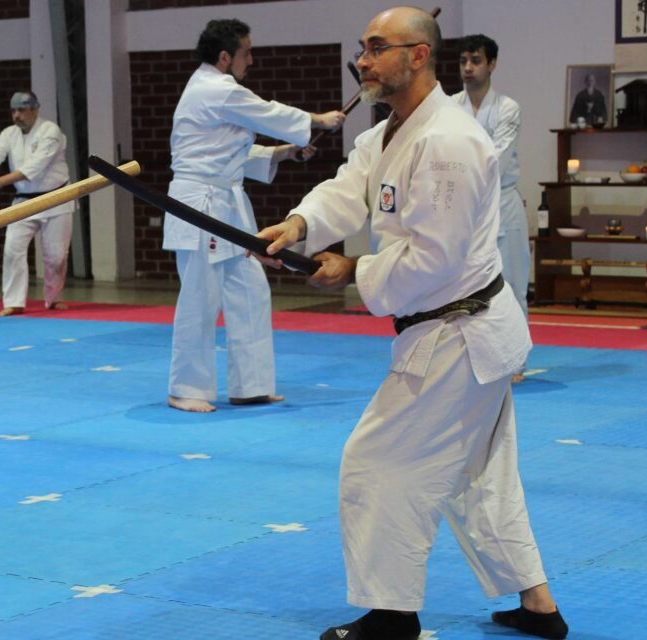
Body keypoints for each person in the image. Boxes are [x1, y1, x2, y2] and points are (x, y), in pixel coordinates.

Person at [256, 8, 567, 640]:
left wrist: (353, 270)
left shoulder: (449, 141)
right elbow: (349, 187)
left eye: (376, 49)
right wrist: (300, 225)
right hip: (462, 331)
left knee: (373, 462)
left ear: (419, 55)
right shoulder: (389, 132)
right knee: (480, 477)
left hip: (459, 334)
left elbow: (436, 257)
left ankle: (392, 617)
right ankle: (540, 607)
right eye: (361, 50)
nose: (363, 62)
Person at [164, 18, 344, 413]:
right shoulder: (215, 88)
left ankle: (250, 385)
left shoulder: (217, 92)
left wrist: (283, 152)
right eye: (246, 51)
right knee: (200, 297)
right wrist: (317, 120)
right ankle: (185, 388)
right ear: (225, 57)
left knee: (249, 290)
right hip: (200, 206)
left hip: (225, 203)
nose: (252, 59)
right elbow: (268, 113)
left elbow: (227, 154)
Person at [452, 34, 530, 383]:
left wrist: (459, 169)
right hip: (466, 205)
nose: (468, 68)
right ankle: (476, 356)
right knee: (467, 284)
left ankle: (515, 360)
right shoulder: (450, 107)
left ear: (492, 64)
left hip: (502, 201)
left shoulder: (508, 108)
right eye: (464, 61)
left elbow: (495, 155)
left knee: (512, 282)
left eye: (476, 61)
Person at [0, 91, 73, 316]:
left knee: (56, 256)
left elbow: (35, 168)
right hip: (23, 202)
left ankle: (53, 298)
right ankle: (13, 302)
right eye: (13, 110)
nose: (17, 115)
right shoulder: (9, 134)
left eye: (22, 110)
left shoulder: (51, 132)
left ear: (35, 109)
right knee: (12, 249)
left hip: (55, 198)